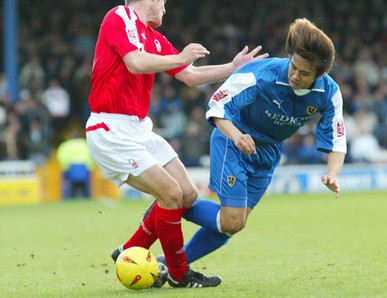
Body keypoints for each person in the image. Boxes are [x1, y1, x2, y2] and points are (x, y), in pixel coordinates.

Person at [143, 17, 347, 286]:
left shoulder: (329, 92)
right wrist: (238, 136)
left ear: (319, 74)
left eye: (305, 73)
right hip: (232, 140)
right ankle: (168, 208)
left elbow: (337, 139)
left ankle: (169, 264)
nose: (295, 75)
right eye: (293, 66)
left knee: (234, 224)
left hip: (269, 152)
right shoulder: (262, 74)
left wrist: (333, 173)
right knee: (231, 219)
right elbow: (216, 107)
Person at [85, 0, 268, 289]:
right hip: (110, 128)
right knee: (169, 193)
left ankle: (130, 249)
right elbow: (135, 62)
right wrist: (181, 57)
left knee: (185, 194)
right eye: (164, 2)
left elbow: (190, 76)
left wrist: (233, 68)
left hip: (138, 127)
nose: (165, 9)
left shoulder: (154, 38)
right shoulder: (119, 16)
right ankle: (179, 273)